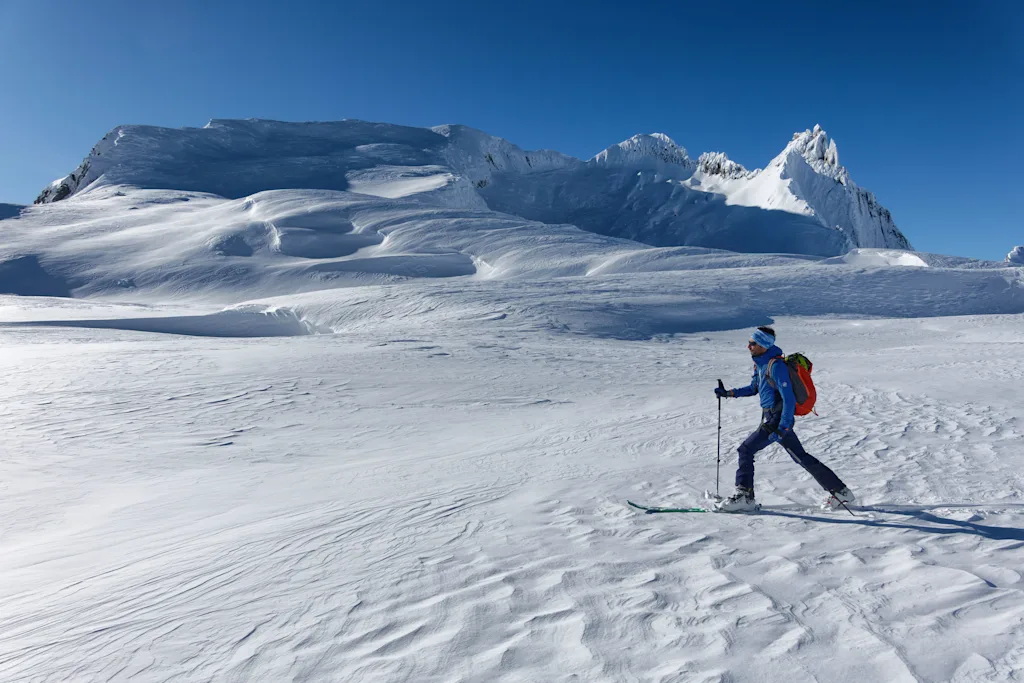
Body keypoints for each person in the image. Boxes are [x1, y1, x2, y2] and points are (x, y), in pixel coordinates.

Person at [713, 326, 855, 512]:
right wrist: (729, 393)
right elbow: (754, 388)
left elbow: (789, 399)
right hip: (771, 416)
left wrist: (784, 426)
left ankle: (745, 497)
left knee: (745, 450)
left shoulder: (776, 366)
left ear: (763, 344)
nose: (748, 346)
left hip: (777, 419)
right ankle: (841, 491)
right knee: (800, 457)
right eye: (749, 342)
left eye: (752, 343)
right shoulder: (761, 363)